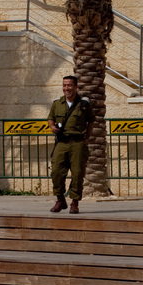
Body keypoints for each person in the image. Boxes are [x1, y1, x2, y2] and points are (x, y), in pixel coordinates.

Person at [47, 74, 94, 214]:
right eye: (64, 85)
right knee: (56, 172)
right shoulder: (57, 103)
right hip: (61, 142)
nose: (66, 88)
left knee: (78, 174)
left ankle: (74, 202)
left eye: (69, 85)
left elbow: (91, 121)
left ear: (75, 87)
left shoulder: (84, 104)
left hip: (78, 142)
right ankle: (60, 200)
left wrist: (87, 138)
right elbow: (50, 118)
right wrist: (52, 126)